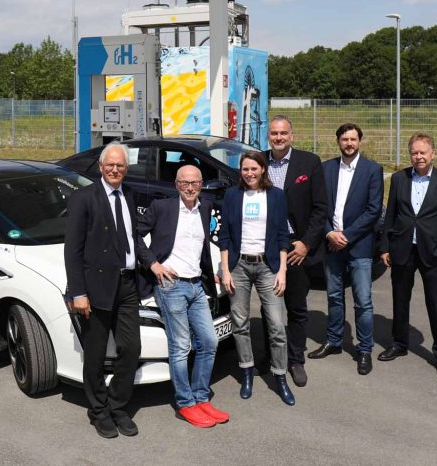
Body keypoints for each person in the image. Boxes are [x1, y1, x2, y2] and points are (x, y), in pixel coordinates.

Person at [64, 142, 148, 438]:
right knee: (96, 354)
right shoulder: (83, 198)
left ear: (127, 168)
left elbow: (134, 238)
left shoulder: (130, 194)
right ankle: (98, 411)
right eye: (110, 165)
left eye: (120, 165)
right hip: (96, 287)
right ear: (101, 167)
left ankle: (118, 405)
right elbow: (72, 250)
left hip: (127, 285)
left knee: (131, 348)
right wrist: (78, 292)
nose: (115, 170)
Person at [137, 165, 229, 429]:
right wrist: (153, 264)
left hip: (196, 285)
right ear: (177, 185)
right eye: (185, 183)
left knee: (209, 341)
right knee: (180, 346)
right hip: (170, 285)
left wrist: (210, 273)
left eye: (195, 183)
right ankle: (185, 403)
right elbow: (135, 236)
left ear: (201, 185)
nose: (190, 187)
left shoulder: (205, 207)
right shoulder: (161, 207)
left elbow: (200, 248)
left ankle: (201, 398)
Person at [378, 132, 437, 380]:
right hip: (403, 250)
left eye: (423, 152)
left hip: (432, 253)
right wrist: (384, 247)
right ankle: (399, 344)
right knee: (400, 299)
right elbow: (390, 215)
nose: (419, 156)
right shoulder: (399, 179)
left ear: (433, 153)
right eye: (414, 152)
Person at [218, 150, 295, 405]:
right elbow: (225, 235)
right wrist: (225, 269)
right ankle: (247, 371)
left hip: (268, 265)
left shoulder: (276, 196)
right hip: (239, 266)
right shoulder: (232, 195)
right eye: (245, 169)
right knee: (240, 323)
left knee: (276, 324)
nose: (249, 173)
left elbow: (283, 235)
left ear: (263, 169)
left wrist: (282, 270)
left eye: (254, 169)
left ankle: (280, 376)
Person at [309, 123, 383, 376]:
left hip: (359, 246)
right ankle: (334, 341)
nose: (349, 143)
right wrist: (330, 232)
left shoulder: (372, 170)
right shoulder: (326, 168)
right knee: (334, 296)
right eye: (344, 139)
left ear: (360, 141)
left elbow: (373, 210)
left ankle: (364, 349)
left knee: (363, 301)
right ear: (338, 142)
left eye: (353, 139)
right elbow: (319, 206)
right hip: (331, 245)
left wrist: (347, 236)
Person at [265, 115, 327, 387]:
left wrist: (306, 243)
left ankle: (295, 359)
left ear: (292, 135)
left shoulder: (309, 163)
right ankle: (272, 357)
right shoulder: (259, 163)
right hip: (266, 246)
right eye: (274, 133)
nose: (278, 138)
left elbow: (320, 208)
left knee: (297, 307)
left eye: (283, 133)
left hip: (296, 247)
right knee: (270, 307)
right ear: (268, 135)